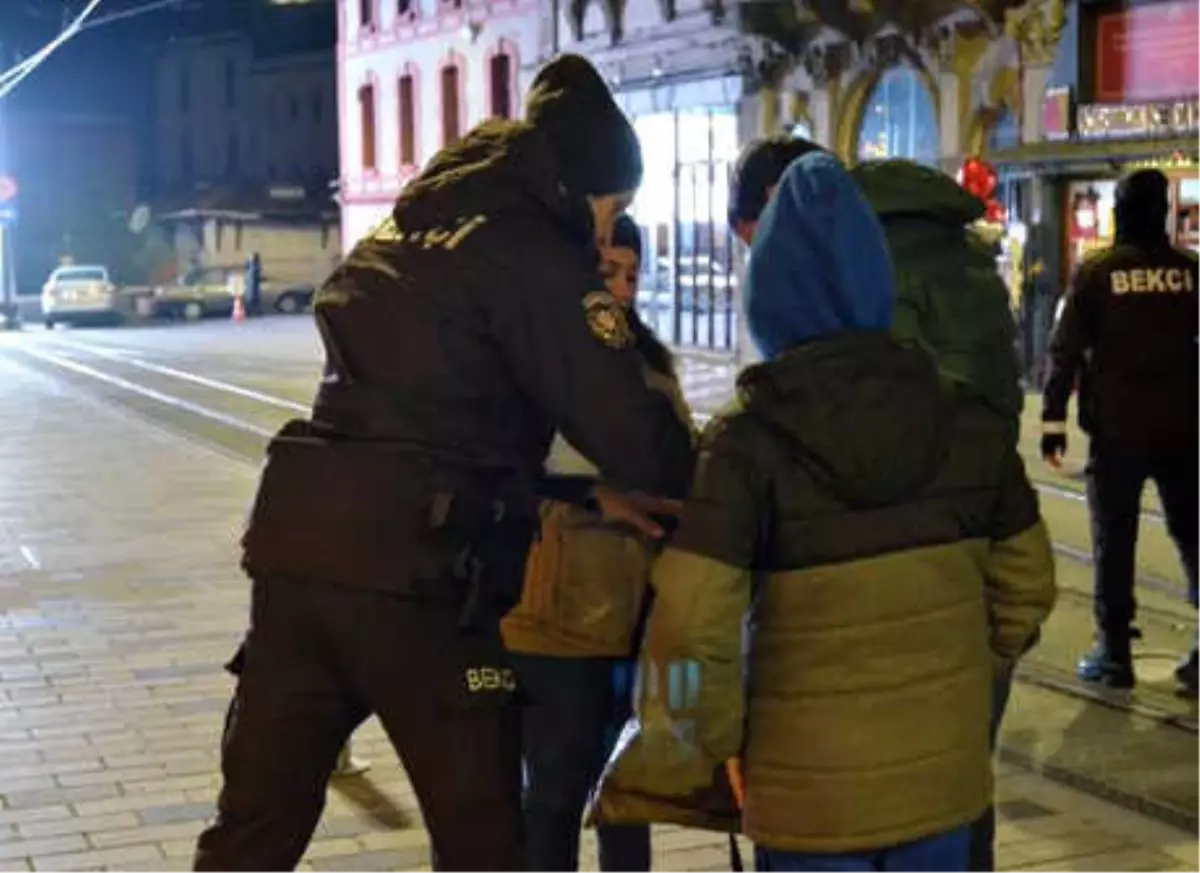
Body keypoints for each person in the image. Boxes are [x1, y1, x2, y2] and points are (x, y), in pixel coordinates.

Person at [193, 54, 695, 873]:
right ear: (585, 188)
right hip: (421, 581)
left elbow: (428, 413)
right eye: (615, 207)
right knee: (485, 841)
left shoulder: (416, 222)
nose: (608, 230)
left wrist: (576, 489)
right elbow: (635, 432)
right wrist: (707, 476)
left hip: (300, 561)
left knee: (252, 827)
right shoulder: (532, 248)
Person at [594, 152, 1056, 873]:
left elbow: (688, 626)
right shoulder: (966, 421)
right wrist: (963, 679)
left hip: (805, 796)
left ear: (770, 292)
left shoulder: (746, 442)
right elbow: (1027, 585)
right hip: (942, 786)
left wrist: (717, 744)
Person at [726, 136, 1026, 873]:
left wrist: (713, 735)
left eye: (757, 244)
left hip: (859, 584)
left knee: (857, 799)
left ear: (782, 207)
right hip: (967, 548)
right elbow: (1029, 583)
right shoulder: (952, 246)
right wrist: (970, 645)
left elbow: (695, 611)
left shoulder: (852, 274)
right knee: (949, 786)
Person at [504, 214, 690, 873]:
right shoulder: (532, 356)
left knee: (626, 797)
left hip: (635, 619)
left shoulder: (649, 361)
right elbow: (495, 476)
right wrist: (590, 493)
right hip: (553, 618)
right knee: (553, 797)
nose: (619, 288)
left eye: (631, 275)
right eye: (606, 272)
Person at [1041, 168, 1200, 693]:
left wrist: (1052, 421)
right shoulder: (1191, 272)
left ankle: (1114, 653)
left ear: (1120, 213)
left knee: (1115, 537)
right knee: (1195, 534)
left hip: (1118, 431)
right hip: (1184, 428)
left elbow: (1064, 352)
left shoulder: (1097, 273)